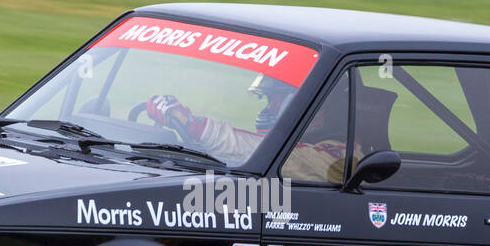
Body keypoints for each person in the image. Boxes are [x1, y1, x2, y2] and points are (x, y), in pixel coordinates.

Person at [146, 76, 355, 182]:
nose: (268, 108)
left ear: (320, 107)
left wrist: (193, 125)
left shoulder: (343, 157)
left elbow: (266, 152)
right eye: (268, 99)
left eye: (279, 100)